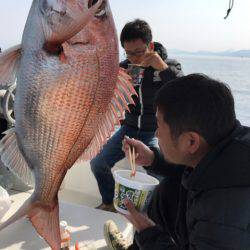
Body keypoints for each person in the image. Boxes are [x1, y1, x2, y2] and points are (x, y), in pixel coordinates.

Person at [104, 73, 250, 249]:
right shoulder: (231, 144)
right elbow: (199, 166)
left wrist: (146, 231)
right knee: (169, 189)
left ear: (191, 141)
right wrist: (153, 159)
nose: (156, 134)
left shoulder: (223, 219)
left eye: (159, 126)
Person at [90, 19, 183, 211]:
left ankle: (157, 213)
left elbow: (183, 92)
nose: (134, 58)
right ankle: (109, 203)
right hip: (128, 129)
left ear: (150, 46)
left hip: (155, 132)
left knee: (161, 175)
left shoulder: (169, 66)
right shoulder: (124, 68)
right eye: (129, 53)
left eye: (139, 52)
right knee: (98, 162)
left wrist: (163, 69)